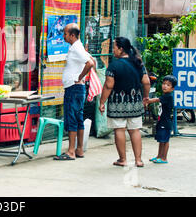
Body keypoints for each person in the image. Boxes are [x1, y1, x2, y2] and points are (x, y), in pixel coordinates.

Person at [99, 37, 150, 168]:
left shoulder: (114, 65)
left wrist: (102, 101)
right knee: (135, 130)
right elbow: (146, 82)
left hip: (117, 104)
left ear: (121, 49)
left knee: (119, 130)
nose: (113, 50)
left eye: (114, 47)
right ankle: (138, 160)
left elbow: (108, 86)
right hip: (135, 102)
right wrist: (145, 97)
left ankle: (123, 159)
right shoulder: (138, 63)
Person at [55, 23, 95, 160]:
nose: (63, 36)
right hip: (76, 88)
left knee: (72, 118)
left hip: (74, 88)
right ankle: (79, 150)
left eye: (65, 34)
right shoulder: (77, 47)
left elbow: (90, 63)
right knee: (78, 118)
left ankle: (71, 151)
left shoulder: (77, 48)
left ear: (72, 35)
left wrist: (79, 77)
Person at [146, 75, 177, 164]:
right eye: (164, 83)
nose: (164, 86)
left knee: (165, 141)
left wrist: (148, 100)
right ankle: (159, 156)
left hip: (166, 123)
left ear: (172, 88)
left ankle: (164, 158)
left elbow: (156, 100)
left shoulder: (168, 96)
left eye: (168, 85)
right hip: (161, 121)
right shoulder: (165, 95)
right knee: (161, 140)